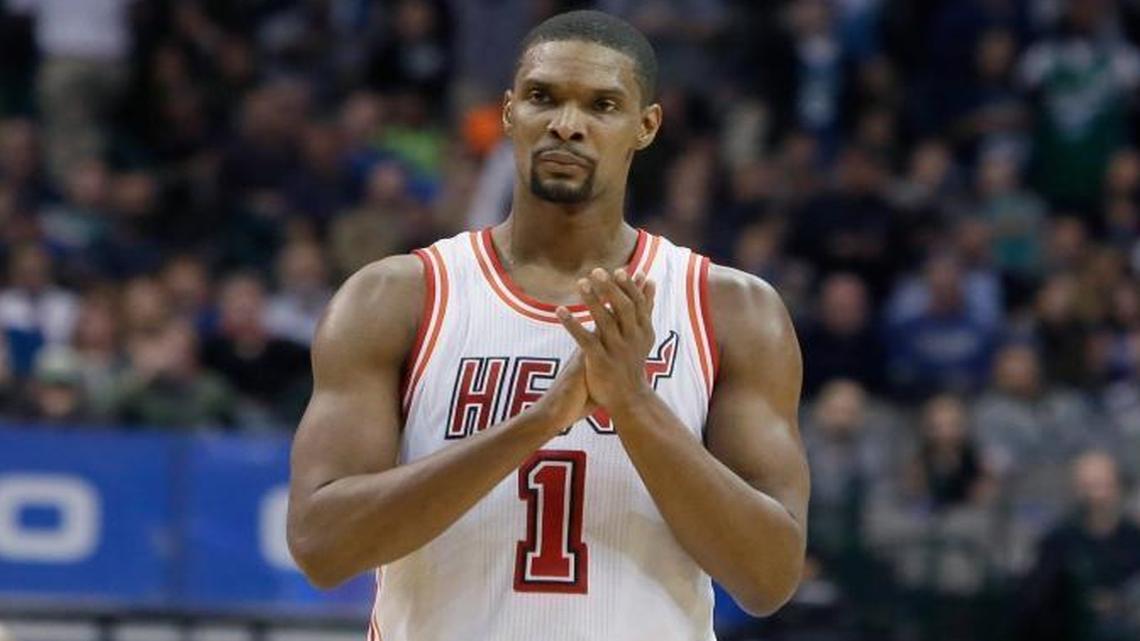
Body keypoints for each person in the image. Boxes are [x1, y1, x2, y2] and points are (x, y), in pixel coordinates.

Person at [286, 10, 809, 641]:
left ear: (646, 126)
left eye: (602, 105)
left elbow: (768, 577)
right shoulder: (396, 298)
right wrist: (538, 422)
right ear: (509, 113)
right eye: (543, 98)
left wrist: (632, 404)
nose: (567, 124)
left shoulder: (730, 309)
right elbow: (321, 545)